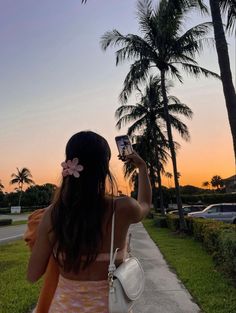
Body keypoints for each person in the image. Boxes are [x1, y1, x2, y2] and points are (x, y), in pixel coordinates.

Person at [27, 131, 152, 313]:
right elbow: (146, 204)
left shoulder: (53, 214)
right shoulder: (123, 208)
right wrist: (142, 167)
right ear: (104, 168)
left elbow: (32, 275)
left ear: (69, 164)